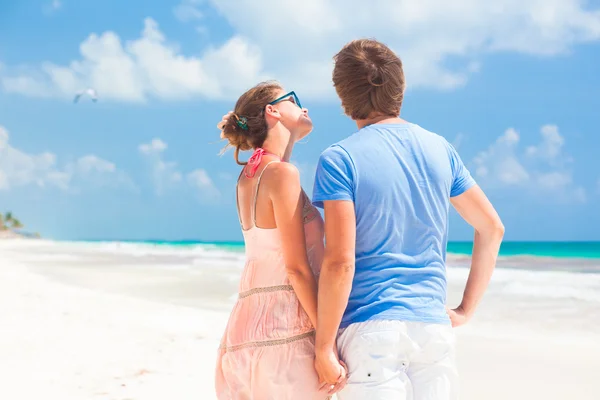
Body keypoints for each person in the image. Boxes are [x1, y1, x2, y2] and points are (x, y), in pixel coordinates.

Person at [312, 39, 505, 400]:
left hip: (371, 330)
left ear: (343, 96)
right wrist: (465, 309)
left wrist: (323, 346)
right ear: (400, 88)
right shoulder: (440, 149)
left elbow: (340, 261)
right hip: (433, 329)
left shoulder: (339, 159)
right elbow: (491, 227)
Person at [215, 81, 346, 399]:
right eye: (295, 100)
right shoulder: (282, 174)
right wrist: (326, 343)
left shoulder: (249, 176)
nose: (305, 107)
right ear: (272, 111)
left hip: (244, 329)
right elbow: (297, 269)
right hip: (283, 328)